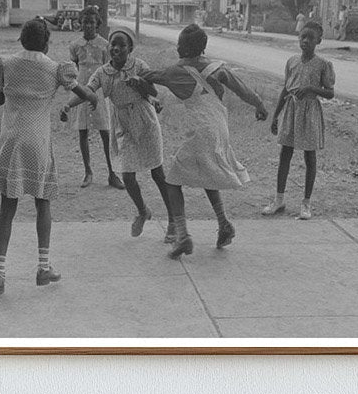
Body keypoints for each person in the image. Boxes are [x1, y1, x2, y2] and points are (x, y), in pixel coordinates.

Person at [0, 16, 96, 297]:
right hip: (37, 143)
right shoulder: (55, 69)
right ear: (47, 43)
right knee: (43, 203)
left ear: (21, 40)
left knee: (7, 209)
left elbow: (0, 101)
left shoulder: (4, 65)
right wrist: (93, 96)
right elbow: (81, 91)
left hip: (9, 141)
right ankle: (42, 267)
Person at [130, 23, 267, 258]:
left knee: (172, 182)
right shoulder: (218, 68)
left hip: (201, 131)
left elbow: (152, 77)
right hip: (220, 128)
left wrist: (134, 76)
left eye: (180, 44)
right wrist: (260, 105)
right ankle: (224, 225)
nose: (177, 47)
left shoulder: (177, 72)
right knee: (208, 174)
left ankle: (182, 236)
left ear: (186, 48)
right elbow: (243, 90)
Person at [60, 28, 174, 239]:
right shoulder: (103, 72)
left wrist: (141, 83)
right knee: (127, 175)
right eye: (113, 44)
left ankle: (174, 222)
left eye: (121, 45)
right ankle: (142, 211)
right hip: (123, 124)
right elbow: (87, 91)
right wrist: (68, 105)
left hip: (146, 121)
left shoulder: (139, 66)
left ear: (130, 48)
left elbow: (154, 92)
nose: (116, 48)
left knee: (158, 173)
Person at [263, 20, 336, 220]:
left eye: (310, 38)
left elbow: (330, 93)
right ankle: (279, 200)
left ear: (319, 40)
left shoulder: (323, 65)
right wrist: (276, 115)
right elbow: (286, 89)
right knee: (285, 153)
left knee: (309, 157)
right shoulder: (292, 61)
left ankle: (306, 203)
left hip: (310, 111)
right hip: (291, 110)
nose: (305, 41)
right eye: (302, 37)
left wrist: (312, 89)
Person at [68, 5, 122, 189]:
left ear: (97, 24)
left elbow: (109, 67)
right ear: (80, 24)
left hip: (99, 90)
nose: (88, 26)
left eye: (92, 22)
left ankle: (112, 173)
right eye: (85, 22)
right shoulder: (75, 45)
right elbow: (75, 64)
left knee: (105, 132)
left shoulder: (105, 45)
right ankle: (88, 171)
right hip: (82, 88)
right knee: (83, 130)